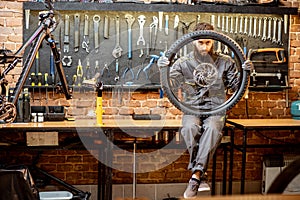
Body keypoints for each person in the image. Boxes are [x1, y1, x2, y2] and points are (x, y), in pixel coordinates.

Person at [157, 22, 253, 198]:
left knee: (212, 128)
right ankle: (201, 174)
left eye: (208, 42)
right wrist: (163, 69)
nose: (204, 47)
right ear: (193, 41)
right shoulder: (183, 63)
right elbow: (171, 85)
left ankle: (195, 176)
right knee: (189, 128)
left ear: (214, 41)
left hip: (217, 109)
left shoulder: (226, 62)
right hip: (192, 109)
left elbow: (236, 88)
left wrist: (246, 74)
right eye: (200, 42)